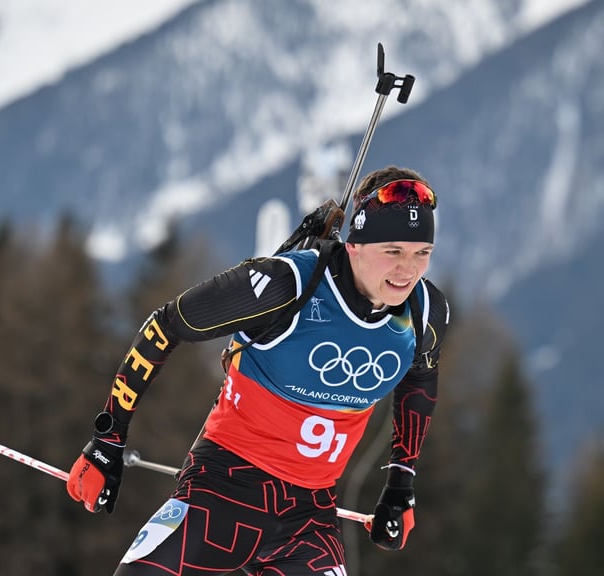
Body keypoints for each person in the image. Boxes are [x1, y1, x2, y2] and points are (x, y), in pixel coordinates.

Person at [67, 165, 450, 575]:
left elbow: (419, 377)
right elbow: (165, 326)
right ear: (354, 244)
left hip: (310, 518)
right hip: (223, 492)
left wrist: (401, 481)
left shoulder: (424, 311)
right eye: (392, 251)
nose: (407, 270)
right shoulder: (288, 285)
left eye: (421, 253)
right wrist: (108, 440)